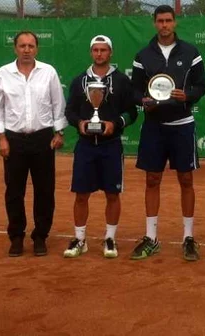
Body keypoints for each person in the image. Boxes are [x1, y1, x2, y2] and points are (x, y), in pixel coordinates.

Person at [130, 4, 205, 261]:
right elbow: (134, 90)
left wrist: (189, 96)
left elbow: (201, 85)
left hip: (182, 125)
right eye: (160, 21)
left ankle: (188, 237)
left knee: (186, 180)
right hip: (154, 127)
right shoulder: (143, 55)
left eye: (168, 21)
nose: (164, 25)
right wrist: (143, 101)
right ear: (154, 23)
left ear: (175, 23)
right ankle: (151, 238)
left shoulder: (191, 52)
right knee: (152, 180)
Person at [0, 31, 67, 257]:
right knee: (14, 191)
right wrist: (1, 137)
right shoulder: (4, 73)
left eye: (31, 46)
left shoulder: (48, 72)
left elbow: (57, 104)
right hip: (13, 141)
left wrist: (59, 132)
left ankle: (40, 236)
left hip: (43, 140)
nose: (26, 50)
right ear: (15, 48)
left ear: (37, 49)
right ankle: (16, 237)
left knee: (45, 191)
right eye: (22, 46)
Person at [62, 35, 137, 259]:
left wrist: (116, 124)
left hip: (111, 146)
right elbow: (70, 111)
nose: (99, 54)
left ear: (110, 53)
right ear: (91, 52)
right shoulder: (79, 81)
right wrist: (81, 123)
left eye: (103, 50)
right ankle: (80, 239)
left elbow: (132, 113)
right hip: (85, 145)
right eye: (95, 50)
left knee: (112, 194)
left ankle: (110, 238)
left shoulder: (123, 81)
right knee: (81, 194)